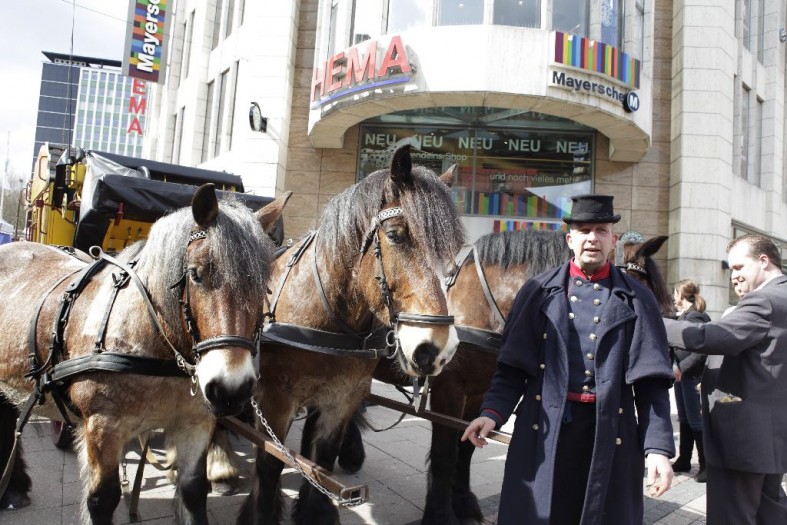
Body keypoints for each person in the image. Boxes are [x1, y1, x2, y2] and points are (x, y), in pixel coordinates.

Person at [462, 194, 674, 525]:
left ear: (613, 241)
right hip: (544, 429)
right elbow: (512, 368)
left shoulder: (638, 298)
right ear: (569, 239)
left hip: (610, 433)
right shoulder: (536, 291)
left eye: (601, 231)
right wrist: (492, 413)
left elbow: (651, 385)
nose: (592, 238)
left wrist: (657, 449)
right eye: (584, 230)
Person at [664, 234, 787, 525]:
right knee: (770, 514)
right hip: (768, 438)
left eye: (739, 267)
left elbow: (710, 337)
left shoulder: (766, 300)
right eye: (731, 269)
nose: (734, 276)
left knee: (732, 516)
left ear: (764, 261)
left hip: (743, 438)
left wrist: (649, 321)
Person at [670, 279, 711, 482]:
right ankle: (684, 459)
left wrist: (682, 367)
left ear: (681, 294)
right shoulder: (685, 316)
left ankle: (706, 465)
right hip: (683, 376)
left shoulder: (695, 317)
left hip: (691, 376)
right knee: (685, 419)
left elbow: (702, 349)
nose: (673, 297)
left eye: (675, 292)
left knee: (696, 420)